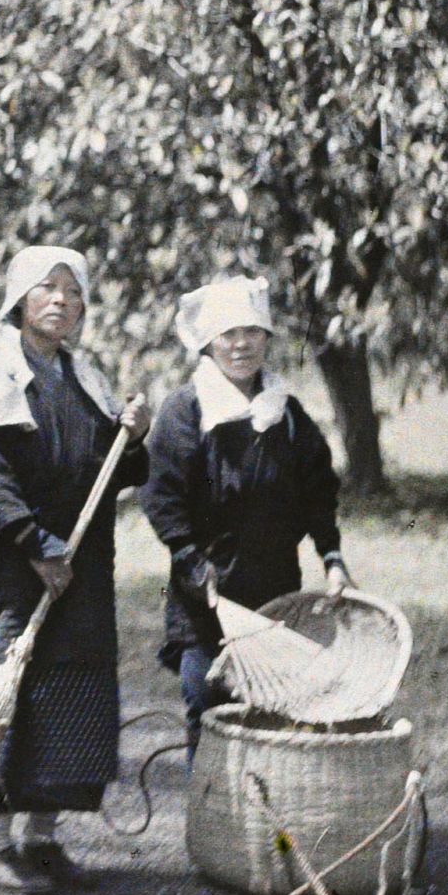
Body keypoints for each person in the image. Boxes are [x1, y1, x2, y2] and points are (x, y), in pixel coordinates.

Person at [0, 246, 151, 895]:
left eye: (72, 290)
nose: (60, 300)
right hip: (21, 559)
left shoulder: (85, 377)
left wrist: (131, 435)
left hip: (84, 563)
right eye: (46, 288)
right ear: (19, 299)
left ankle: (43, 839)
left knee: (74, 693)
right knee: (17, 691)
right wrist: (32, 541)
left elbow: (111, 471)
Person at [139, 275, 353, 760]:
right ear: (208, 342)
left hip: (275, 592)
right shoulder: (186, 410)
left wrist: (332, 558)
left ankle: (263, 811)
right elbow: (160, 494)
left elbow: (318, 491)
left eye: (252, 332)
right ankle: (209, 808)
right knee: (209, 712)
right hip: (206, 596)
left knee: (271, 714)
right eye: (228, 334)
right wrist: (190, 560)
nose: (241, 344)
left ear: (267, 337)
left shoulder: (287, 414)